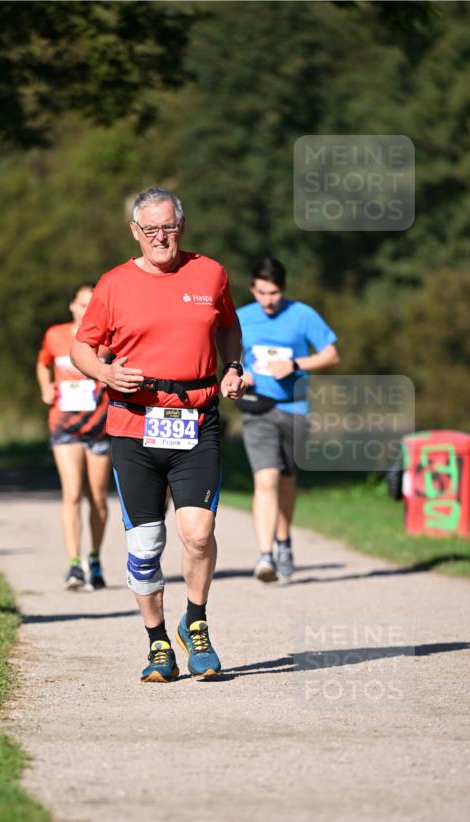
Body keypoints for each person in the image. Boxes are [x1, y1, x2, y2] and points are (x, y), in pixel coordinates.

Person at [71, 187, 245, 683]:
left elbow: (228, 327)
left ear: (181, 226)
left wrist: (233, 366)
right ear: (135, 232)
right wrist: (104, 373)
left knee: (199, 533)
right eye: (150, 229)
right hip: (134, 425)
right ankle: (158, 642)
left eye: (168, 227)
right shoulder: (113, 284)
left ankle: (196, 622)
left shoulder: (210, 273)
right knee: (146, 547)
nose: (160, 237)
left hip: (197, 420)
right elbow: (82, 349)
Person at [237, 256, 340, 582]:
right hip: (258, 409)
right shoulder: (242, 317)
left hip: (294, 408)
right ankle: (265, 556)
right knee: (265, 479)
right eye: (261, 292)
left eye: (274, 293)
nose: (267, 300)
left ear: (283, 289)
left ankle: (284, 541)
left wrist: (296, 364)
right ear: (252, 288)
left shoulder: (302, 314)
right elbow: (228, 357)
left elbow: (331, 354)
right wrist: (241, 372)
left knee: (285, 480)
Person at [36, 284, 111, 590]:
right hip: (64, 425)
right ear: (72, 306)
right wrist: (45, 387)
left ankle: (95, 558)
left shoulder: (109, 338)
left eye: (92, 305)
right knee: (72, 493)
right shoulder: (55, 335)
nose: (85, 310)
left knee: (97, 498)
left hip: (99, 426)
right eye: (82, 305)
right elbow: (42, 363)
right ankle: (74, 564)